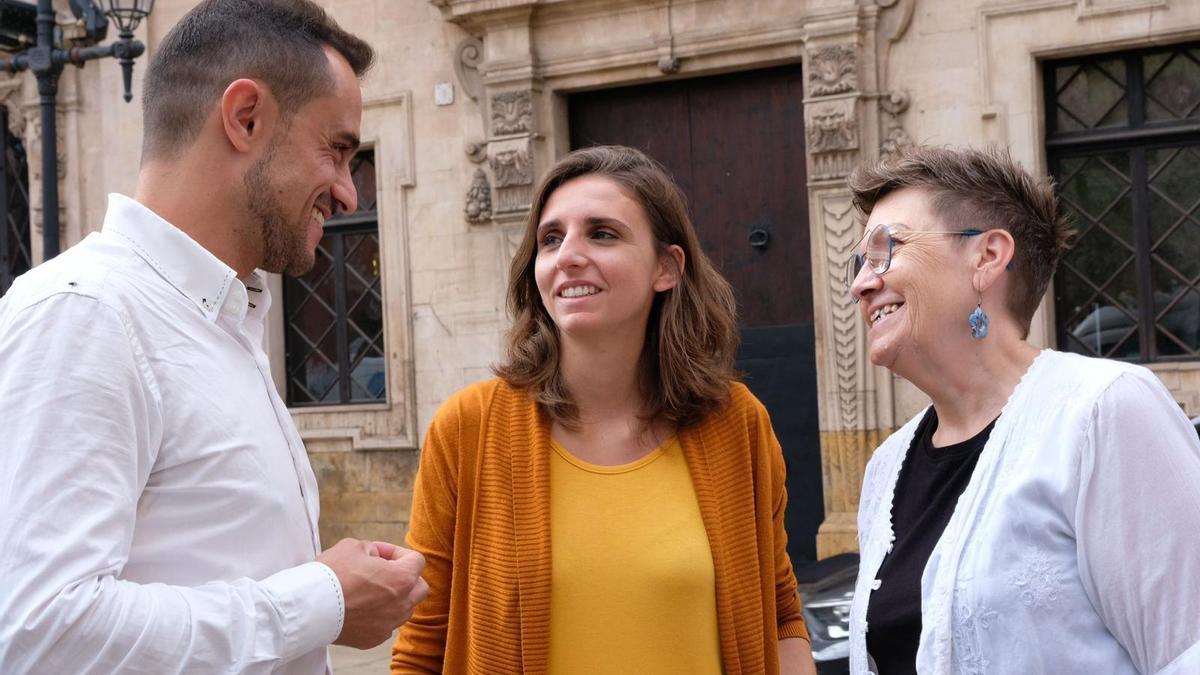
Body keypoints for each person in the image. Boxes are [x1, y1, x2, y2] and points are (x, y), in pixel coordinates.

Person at [0, 1, 427, 672]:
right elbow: (40, 634)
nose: (348, 193)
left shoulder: (220, 318)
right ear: (245, 118)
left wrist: (320, 594)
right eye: (337, 151)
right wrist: (320, 599)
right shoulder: (86, 313)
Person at [390, 145, 816, 674]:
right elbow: (422, 642)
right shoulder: (469, 429)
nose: (568, 254)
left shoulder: (736, 423)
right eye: (551, 238)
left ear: (667, 267)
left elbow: (778, 613)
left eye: (602, 233)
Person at [845, 146, 1200, 674]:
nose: (860, 283)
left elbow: (1185, 651)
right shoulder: (886, 469)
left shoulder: (1102, 412)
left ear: (987, 257)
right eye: (861, 262)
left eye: (886, 250)